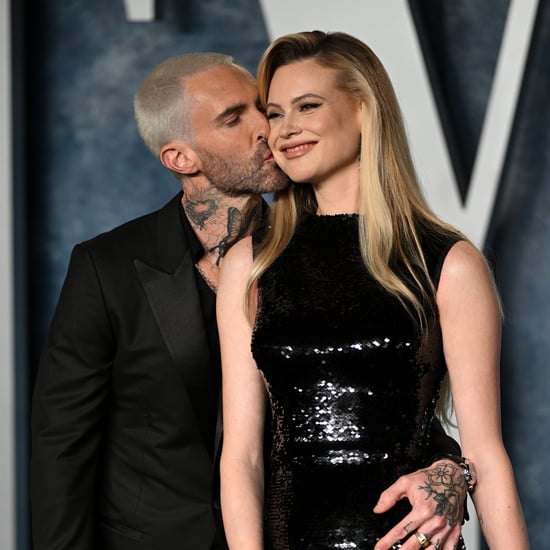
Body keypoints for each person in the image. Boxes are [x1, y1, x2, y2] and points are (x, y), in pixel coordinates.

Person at [31, 52, 467, 550]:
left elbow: (383, 393)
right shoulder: (105, 268)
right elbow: (61, 446)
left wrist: (452, 469)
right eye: (234, 118)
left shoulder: (319, 250)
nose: (268, 128)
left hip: (293, 534)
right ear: (182, 158)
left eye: (266, 109)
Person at [217, 31, 529, 550]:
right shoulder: (251, 264)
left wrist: (459, 477)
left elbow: (487, 456)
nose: (285, 129)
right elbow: (242, 455)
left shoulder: (448, 261)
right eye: (274, 114)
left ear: (365, 110)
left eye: (307, 106)